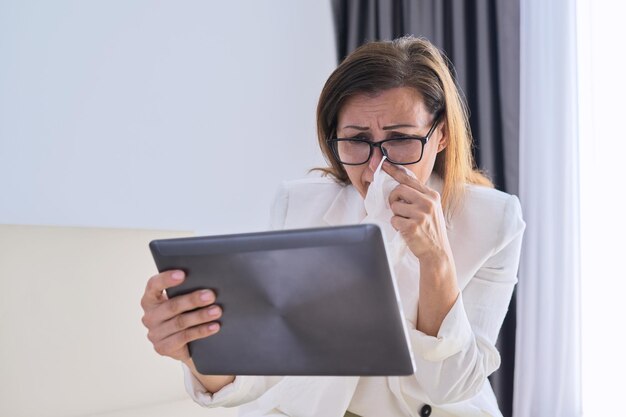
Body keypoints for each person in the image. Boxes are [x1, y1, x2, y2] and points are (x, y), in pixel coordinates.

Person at [140, 36, 525, 417]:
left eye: (402, 139)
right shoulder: (299, 204)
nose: (377, 166)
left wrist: (436, 260)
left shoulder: (493, 221)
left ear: (440, 134)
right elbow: (271, 367)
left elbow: (450, 386)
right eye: (358, 140)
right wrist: (196, 353)